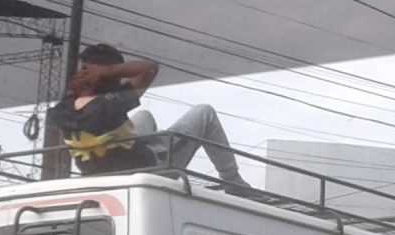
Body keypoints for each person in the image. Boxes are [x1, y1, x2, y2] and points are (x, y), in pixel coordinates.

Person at [47, 43, 249, 189]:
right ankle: (232, 180)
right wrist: (107, 71)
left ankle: (154, 143)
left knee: (144, 116)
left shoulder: (64, 109)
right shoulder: (111, 105)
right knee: (204, 113)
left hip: (98, 172)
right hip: (149, 170)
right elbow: (150, 69)